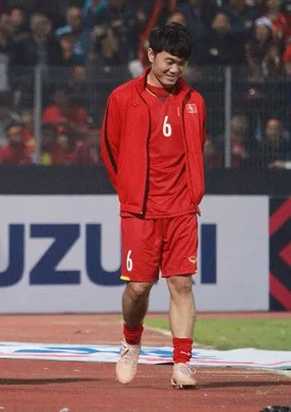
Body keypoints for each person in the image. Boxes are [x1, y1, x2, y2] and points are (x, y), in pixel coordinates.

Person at [100, 23, 206, 389]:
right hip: (140, 210)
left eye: (181, 63)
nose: (175, 69)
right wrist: (129, 192)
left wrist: (191, 194)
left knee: (181, 283)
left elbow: (197, 146)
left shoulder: (194, 102)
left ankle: (182, 363)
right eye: (169, 61)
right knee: (139, 288)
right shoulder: (122, 98)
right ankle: (131, 341)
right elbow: (110, 149)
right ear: (151, 56)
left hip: (181, 209)